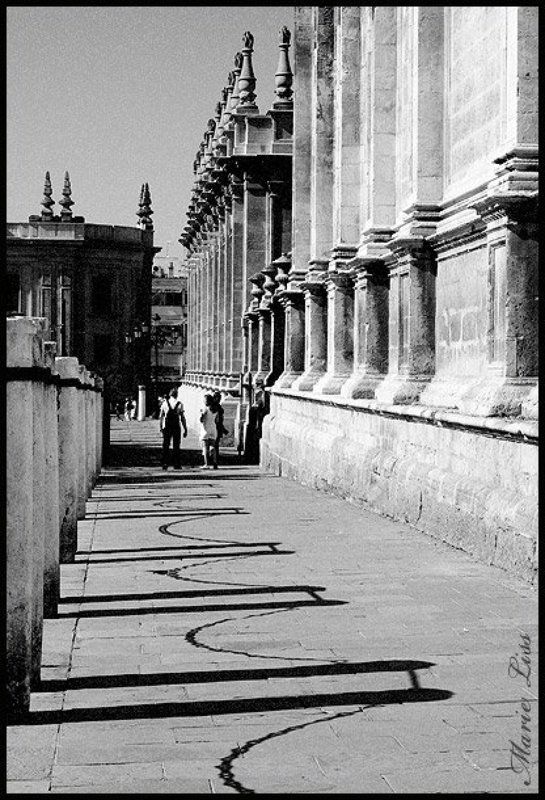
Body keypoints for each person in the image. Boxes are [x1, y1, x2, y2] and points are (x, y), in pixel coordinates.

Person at [159, 388, 188, 469]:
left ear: (170, 394)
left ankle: (165, 463)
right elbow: (182, 417)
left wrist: (160, 427)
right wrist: (185, 428)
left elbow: (161, 416)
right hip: (176, 426)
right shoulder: (180, 404)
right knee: (176, 445)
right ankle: (176, 463)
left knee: (166, 445)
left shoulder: (164, 403)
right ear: (177, 395)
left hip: (167, 426)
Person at [199, 394, 218, 469]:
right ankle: (215, 463)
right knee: (213, 446)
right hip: (213, 428)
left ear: (206, 401)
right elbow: (217, 420)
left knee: (205, 447)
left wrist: (201, 414)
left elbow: (201, 420)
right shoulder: (215, 410)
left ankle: (206, 464)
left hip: (205, 429)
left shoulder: (205, 409)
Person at [211, 390, 229, 465]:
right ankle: (214, 459)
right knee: (214, 444)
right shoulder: (215, 406)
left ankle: (214, 458)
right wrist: (223, 429)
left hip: (217, 426)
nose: (219, 399)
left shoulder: (216, 406)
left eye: (220, 398)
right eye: (218, 398)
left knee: (215, 444)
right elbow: (218, 420)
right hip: (216, 427)